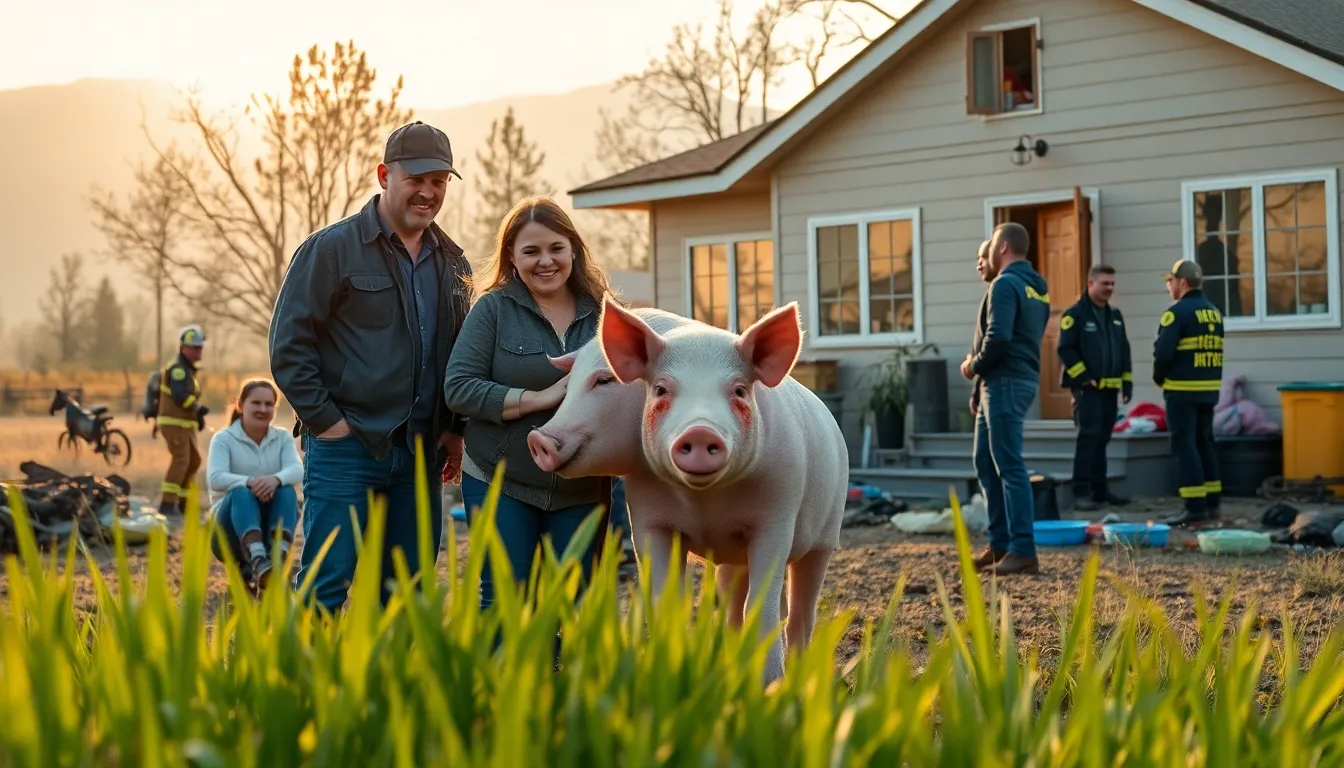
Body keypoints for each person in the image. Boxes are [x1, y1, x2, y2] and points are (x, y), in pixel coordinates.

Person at [269, 120, 473, 613]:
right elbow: (288, 346)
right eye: (416, 179)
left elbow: (457, 354)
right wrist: (329, 424)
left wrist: (452, 428)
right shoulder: (330, 250)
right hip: (347, 448)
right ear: (384, 174)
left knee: (406, 594)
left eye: (439, 181)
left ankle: (387, 688)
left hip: (421, 454)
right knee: (325, 586)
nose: (428, 192)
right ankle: (305, 687)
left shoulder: (454, 262)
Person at [443, 195, 616, 610]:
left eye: (556, 248)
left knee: (575, 603)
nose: (546, 261)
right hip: (501, 479)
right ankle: (505, 676)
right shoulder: (494, 310)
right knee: (506, 599)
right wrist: (538, 398)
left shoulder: (604, 315)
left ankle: (559, 675)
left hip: (583, 486)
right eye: (531, 251)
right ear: (511, 257)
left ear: (573, 249)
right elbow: (459, 387)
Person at [960, 222, 1050, 576]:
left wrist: (972, 368)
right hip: (1003, 383)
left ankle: (1023, 549)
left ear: (1002, 249)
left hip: (1005, 383)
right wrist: (977, 390)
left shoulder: (1005, 284)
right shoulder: (1035, 289)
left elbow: (997, 339)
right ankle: (999, 544)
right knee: (985, 461)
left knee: (1009, 466)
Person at [206, 378, 303, 591]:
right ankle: (258, 561)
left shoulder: (282, 437)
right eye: (256, 403)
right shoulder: (223, 439)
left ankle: (275, 563)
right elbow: (216, 477)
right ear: (240, 405)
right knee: (240, 493)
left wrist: (274, 480)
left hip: (270, 523)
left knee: (286, 491)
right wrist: (249, 482)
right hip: (227, 534)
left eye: (269, 404)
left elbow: (298, 470)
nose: (263, 408)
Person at [1057, 264, 1134, 511]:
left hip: (1110, 390)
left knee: (1102, 439)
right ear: (1091, 284)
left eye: (1112, 284)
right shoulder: (1075, 315)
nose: (1110, 288)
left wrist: (1127, 380)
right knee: (1088, 439)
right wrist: (1085, 378)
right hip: (1087, 390)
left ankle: (1100, 491)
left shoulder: (1115, 316)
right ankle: (1081, 492)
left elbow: (1124, 349)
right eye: (1105, 284)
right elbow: (1065, 349)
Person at [1153, 260, 1224, 527]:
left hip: (1181, 391)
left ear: (1182, 283)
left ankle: (1194, 508)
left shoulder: (1176, 314)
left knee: (1186, 446)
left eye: (1170, 281)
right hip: (1208, 390)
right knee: (1205, 443)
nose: (1168, 286)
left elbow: (1163, 354)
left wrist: (1160, 378)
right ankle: (1212, 504)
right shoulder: (1214, 312)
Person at [157, 325, 210, 517]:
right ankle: (167, 504)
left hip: (184, 424)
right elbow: (180, 395)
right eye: (194, 347)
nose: (198, 351)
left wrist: (196, 417)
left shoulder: (187, 369)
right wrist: (198, 409)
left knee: (194, 461)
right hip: (174, 423)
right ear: (183, 348)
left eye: (200, 347)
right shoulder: (178, 369)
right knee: (181, 460)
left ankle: (184, 503)